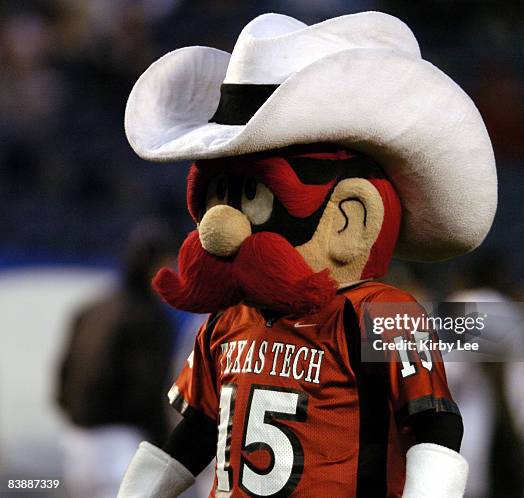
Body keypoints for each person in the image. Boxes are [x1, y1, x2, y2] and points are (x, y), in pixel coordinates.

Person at [117, 12, 497, 498]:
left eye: (254, 198)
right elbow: (196, 433)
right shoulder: (226, 320)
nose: (217, 229)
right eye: (219, 197)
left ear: (349, 217)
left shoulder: (377, 313)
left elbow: (435, 427)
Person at [57, 221, 177, 498]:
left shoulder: (91, 309)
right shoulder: (150, 318)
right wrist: (164, 447)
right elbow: (148, 391)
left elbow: (62, 378)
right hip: (121, 447)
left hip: (75, 445)